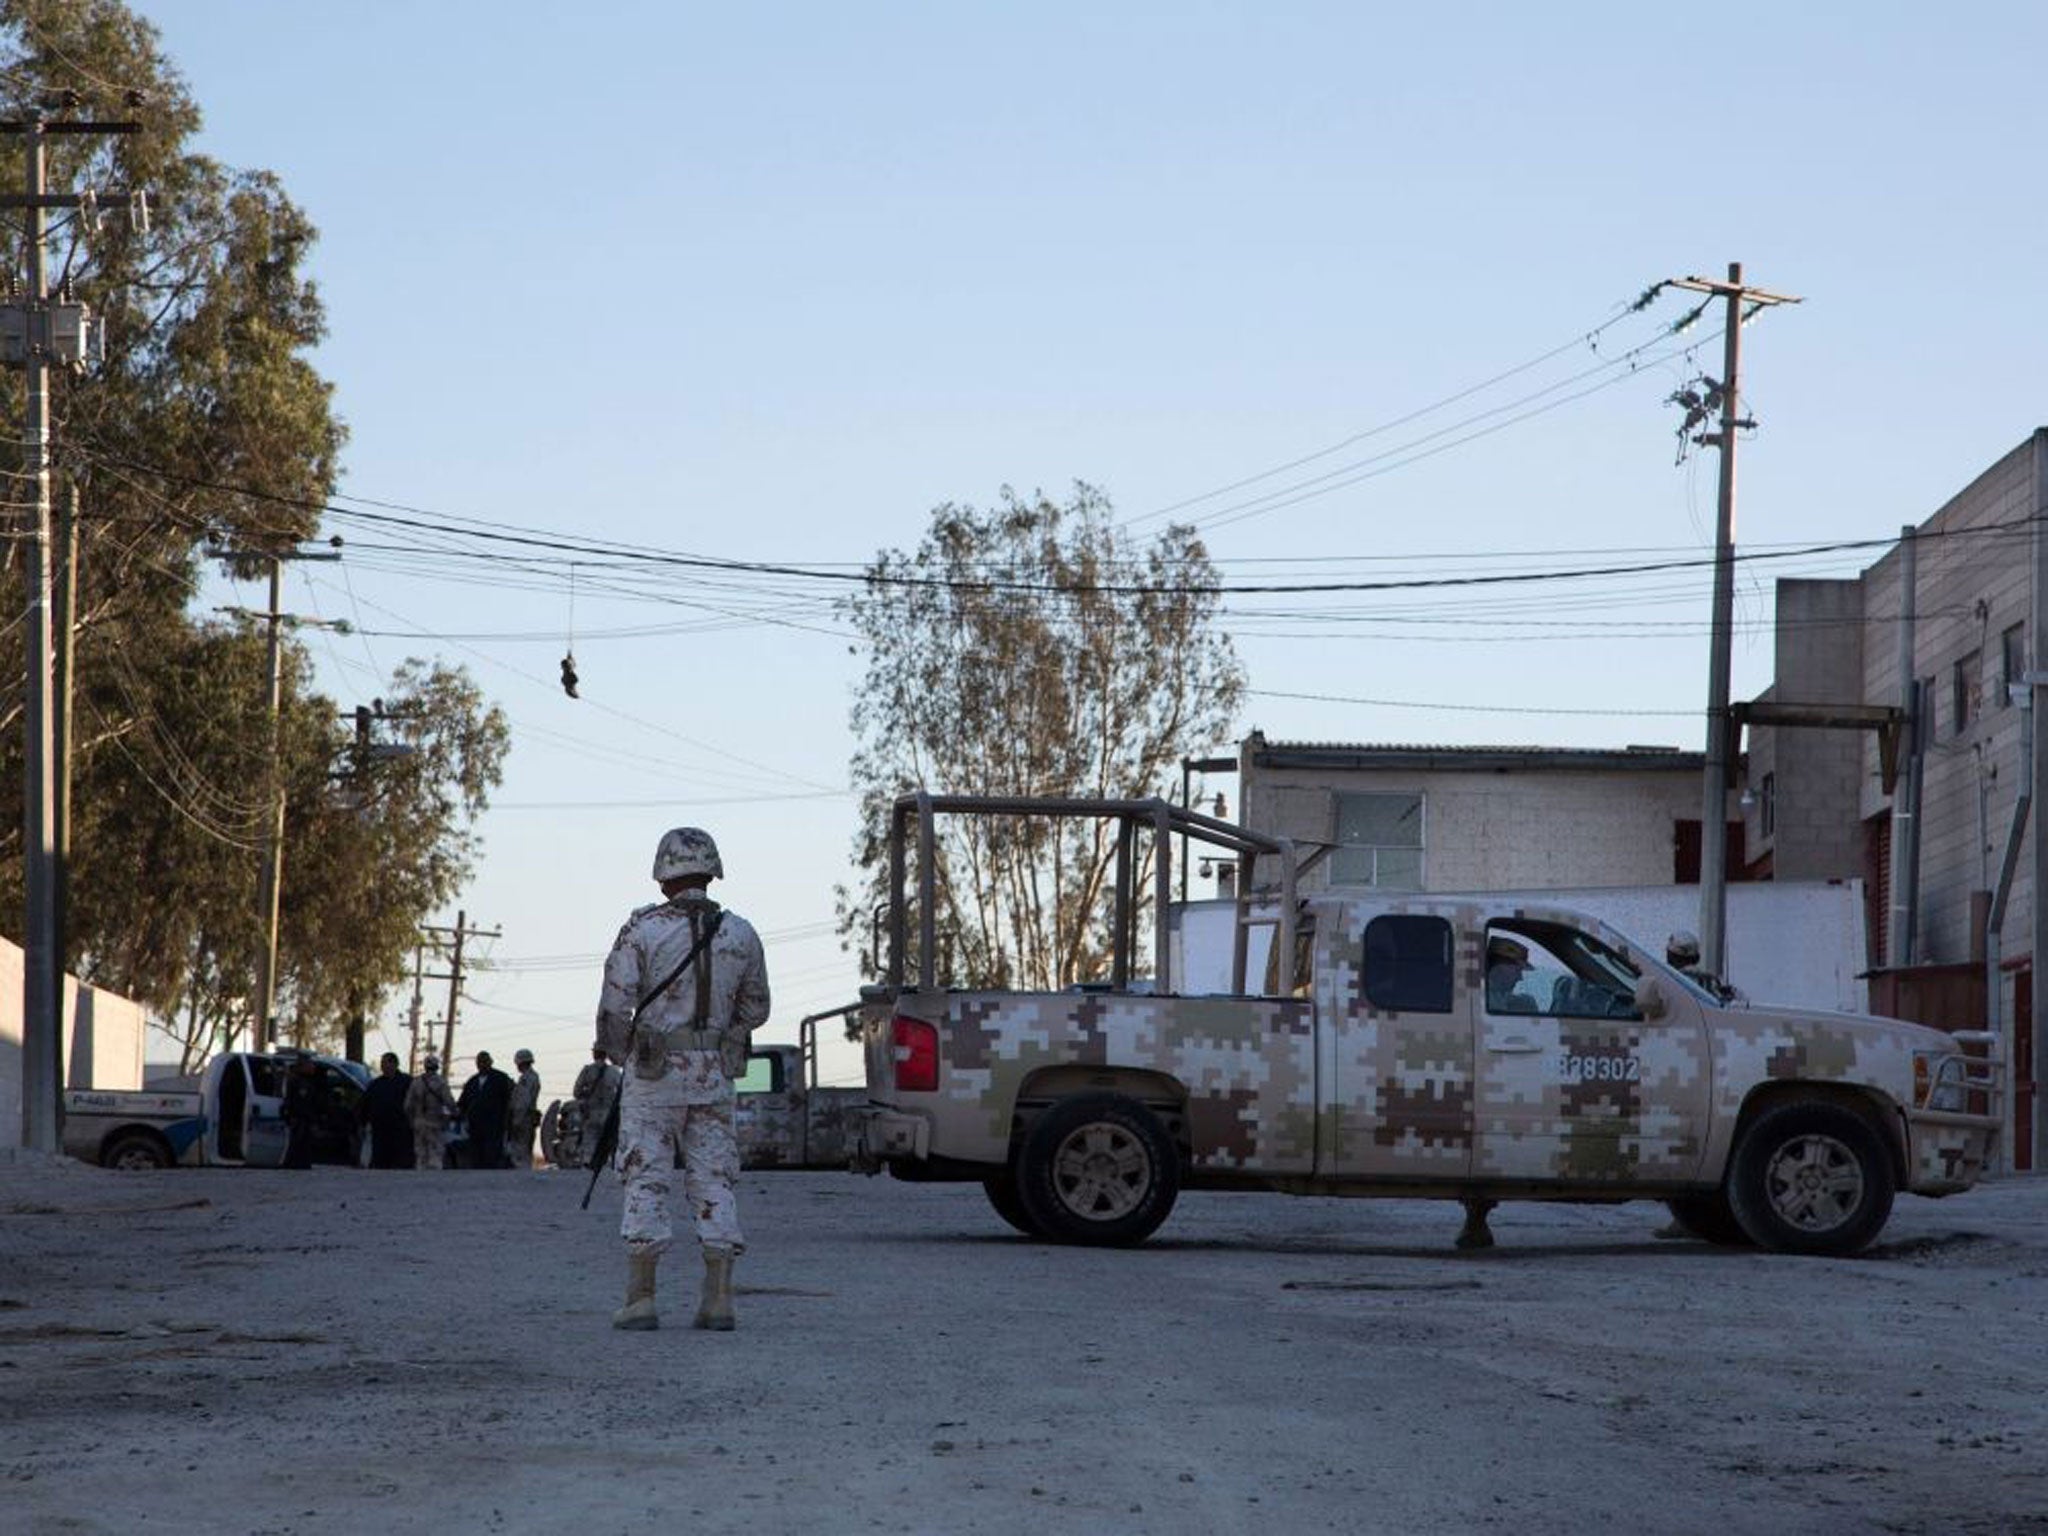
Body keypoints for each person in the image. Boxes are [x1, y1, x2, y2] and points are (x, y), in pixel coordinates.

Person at [596, 825, 769, 1332]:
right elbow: (756, 1006)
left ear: (663, 873)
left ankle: (641, 1299)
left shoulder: (641, 930)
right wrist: (727, 1033)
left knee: (646, 1174)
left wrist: (621, 1052)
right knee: (714, 1177)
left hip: (654, 1077)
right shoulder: (741, 933)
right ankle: (718, 1301)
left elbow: (613, 1007)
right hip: (713, 1075)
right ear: (711, 871)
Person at [456, 1050, 514, 1169]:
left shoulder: (501, 1079)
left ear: (490, 1062)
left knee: (492, 1155)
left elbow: (509, 1100)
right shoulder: (472, 1082)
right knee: (476, 1156)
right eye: (480, 1062)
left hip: (494, 1125)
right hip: (475, 1126)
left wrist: (507, 1121)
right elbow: (463, 1102)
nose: (482, 1064)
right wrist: (459, 1116)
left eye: (485, 1062)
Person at [359, 1052, 415, 1169]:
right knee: (380, 1162)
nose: (382, 1066)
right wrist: (363, 1122)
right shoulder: (376, 1084)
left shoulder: (407, 1082)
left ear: (394, 1064)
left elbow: (416, 1102)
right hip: (380, 1129)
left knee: (400, 1162)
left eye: (385, 1063)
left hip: (400, 1129)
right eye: (382, 1063)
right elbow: (365, 1104)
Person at [405, 1054, 459, 1169]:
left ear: (425, 1066)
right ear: (436, 1067)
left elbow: (407, 1105)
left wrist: (411, 1120)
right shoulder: (440, 1082)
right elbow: (449, 1102)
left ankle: (420, 1171)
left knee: (420, 1152)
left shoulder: (416, 1082)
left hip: (419, 1122)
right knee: (435, 1151)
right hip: (434, 1122)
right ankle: (433, 1177)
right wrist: (455, 1114)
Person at [571, 1044, 622, 1162]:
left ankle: (589, 1164)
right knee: (607, 1142)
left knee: (589, 1142)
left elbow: (576, 1092)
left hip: (591, 1113)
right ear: (606, 1055)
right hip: (608, 1114)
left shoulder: (587, 1071)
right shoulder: (613, 1071)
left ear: (594, 1054)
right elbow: (622, 1091)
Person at [280, 1055, 326, 1169]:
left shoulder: (306, 1081)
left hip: (303, 1119)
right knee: (298, 1145)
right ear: (302, 1067)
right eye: (310, 1065)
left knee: (303, 1146)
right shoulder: (299, 1082)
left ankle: (301, 1164)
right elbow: (302, 1104)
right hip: (300, 1120)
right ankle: (295, 1165)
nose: (313, 1067)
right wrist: (312, 1120)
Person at [507, 1048, 542, 1168]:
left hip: (524, 1118)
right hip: (528, 1117)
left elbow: (523, 1102)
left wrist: (517, 1120)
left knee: (520, 1147)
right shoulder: (532, 1077)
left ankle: (521, 1170)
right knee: (525, 1147)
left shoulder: (527, 1078)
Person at [1484, 936, 1537, 1013]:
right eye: (1517, 970)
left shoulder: (1497, 994)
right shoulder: (1485, 999)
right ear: (1500, 967)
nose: (1520, 978)